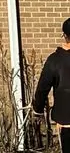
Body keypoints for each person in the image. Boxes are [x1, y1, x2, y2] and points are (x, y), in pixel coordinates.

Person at [33, 17, 70, 152]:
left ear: (64, 36)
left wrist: (37, 110)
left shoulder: (55, 60)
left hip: (66, 118)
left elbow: (43, 88)